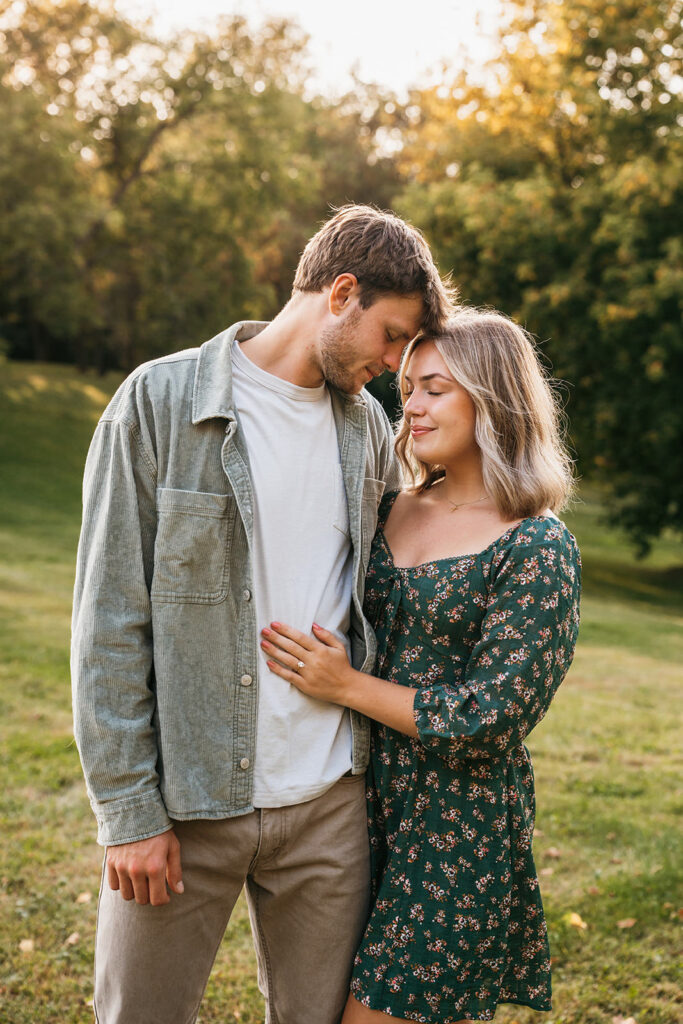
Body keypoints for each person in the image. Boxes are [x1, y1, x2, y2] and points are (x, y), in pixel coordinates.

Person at [70, 204, 455, 1024]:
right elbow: (108, 621)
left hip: (328, 806)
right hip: (187, 802)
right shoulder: (160, 402)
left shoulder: (368, 432)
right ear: (341, 292)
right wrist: (129, 813)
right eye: (390, 337)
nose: (393, 365)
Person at [262, 307, 582, 1023]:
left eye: (433, 388)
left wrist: (346, 684)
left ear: (492, 395)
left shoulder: (534, 546)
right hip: (350, 811)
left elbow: (489, 719)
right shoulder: (387, 506)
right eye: (406, 387)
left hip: (455, 832)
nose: (409, 406)